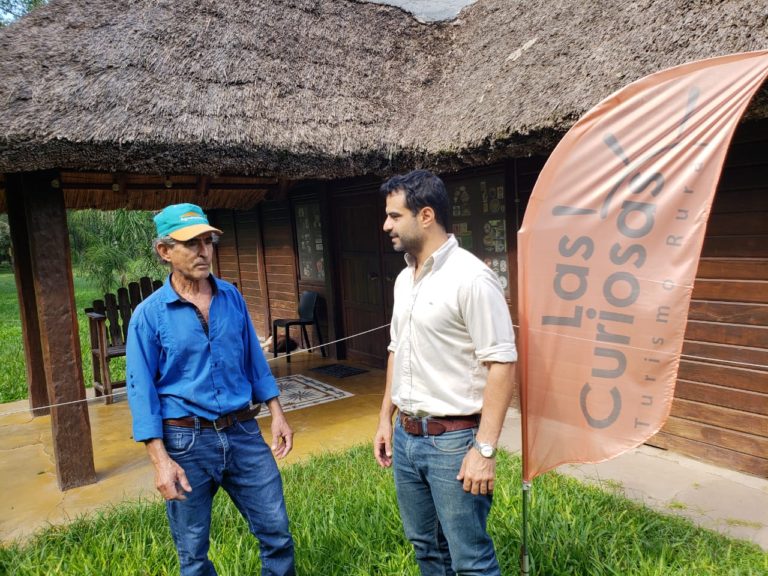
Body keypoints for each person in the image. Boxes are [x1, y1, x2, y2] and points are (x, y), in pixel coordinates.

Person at [126, 203, 295, 576]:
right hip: (186, 442)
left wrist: (277, 413)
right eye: (192, 243)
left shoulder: (231, 297)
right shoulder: (149, 315)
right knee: (193, 553)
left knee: (277, 533)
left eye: (208, 241)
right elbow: (141, 394)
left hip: (243, 433)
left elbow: (253, 357)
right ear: (165, 251)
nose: (204, 251)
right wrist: (160, 461)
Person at [373, 170, 517, 576]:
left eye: (394, 216)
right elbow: (396, 350)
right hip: (406, 437)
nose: (386, 225)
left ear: (426, 215)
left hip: (452, 441)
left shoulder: (471, 278)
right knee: (426, 548)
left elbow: (502, 364)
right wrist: (386, 418)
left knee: (470, 558)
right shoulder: (405, 279)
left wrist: (484, 451)